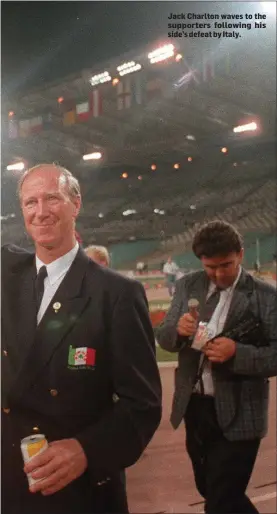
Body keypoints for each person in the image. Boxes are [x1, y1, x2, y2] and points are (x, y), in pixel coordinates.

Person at [2, 163, 162, 514]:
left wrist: (87, 449)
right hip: (9, 483)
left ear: (76, 203)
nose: (41, 211)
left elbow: (143, 404)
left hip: (77, 491)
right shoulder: (8, 274)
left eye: (51, 199)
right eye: (30, 203)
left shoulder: (116, 293)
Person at [157, 220, 277, 514]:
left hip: (241, 409)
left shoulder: (266, 296)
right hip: (196, 406)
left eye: (227, 265)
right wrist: (179, 331)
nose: (219, 274)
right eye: (211, 267)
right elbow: (165, 336)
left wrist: (238, 352)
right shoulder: (187, 285)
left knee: (221, 499)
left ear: (241, 254)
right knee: (212, 490)